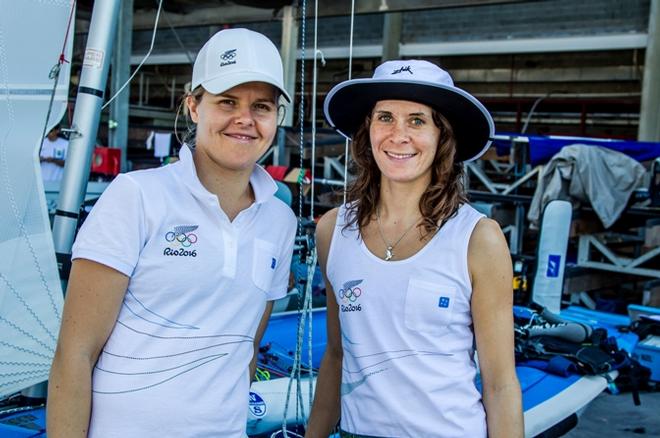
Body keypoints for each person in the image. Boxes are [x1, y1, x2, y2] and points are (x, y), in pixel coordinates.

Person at [47, 28, 297, 438]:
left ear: (277, 118)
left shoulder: (279, 222)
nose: (245, 120)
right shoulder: (136, 197)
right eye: (227, 102)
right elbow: (75, 354)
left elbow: (246, 351)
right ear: (194, 106)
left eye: (262, 106)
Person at [306, 60, 523, 437]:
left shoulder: (478, 239)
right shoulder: (332, 231)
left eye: (417, 121)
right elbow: (337, 357)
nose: (398, 135)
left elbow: (500, 384)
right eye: (385, 117)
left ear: (443, 136)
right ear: (367, 130)